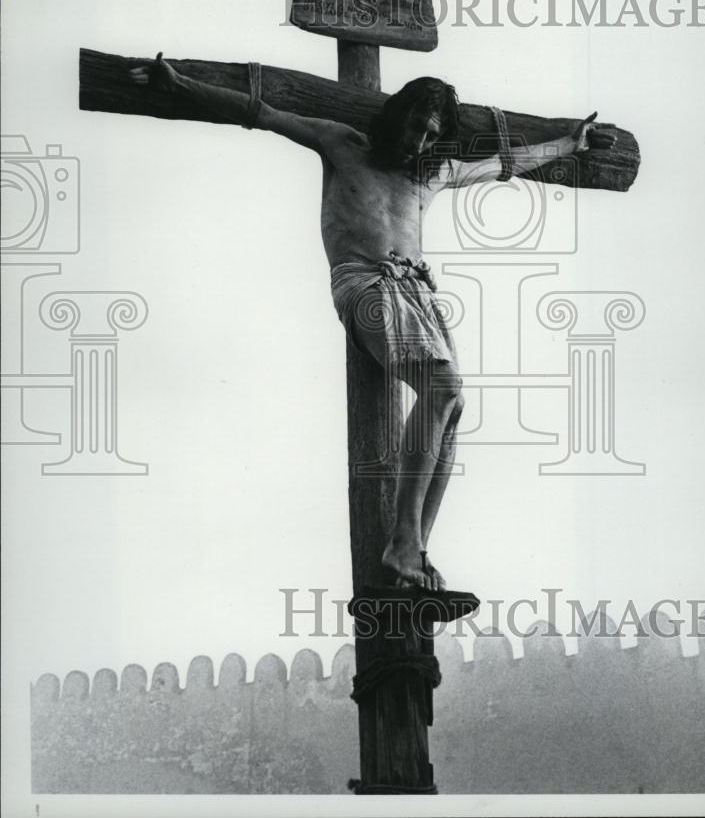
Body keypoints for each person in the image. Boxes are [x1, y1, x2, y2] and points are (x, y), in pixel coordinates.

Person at [130, 54, 615, 591]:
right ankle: (403, 544)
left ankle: (415, 555)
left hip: (417, 294)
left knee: (451, 408)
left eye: (433, 135)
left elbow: (510, 161)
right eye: (416, 127)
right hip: (364, 283)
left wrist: (570, 145)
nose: (421, 142)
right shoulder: (343, 144)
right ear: (398, 115)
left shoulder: (431, 176)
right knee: (444, 386)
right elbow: (258, 110)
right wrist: (177, 85)